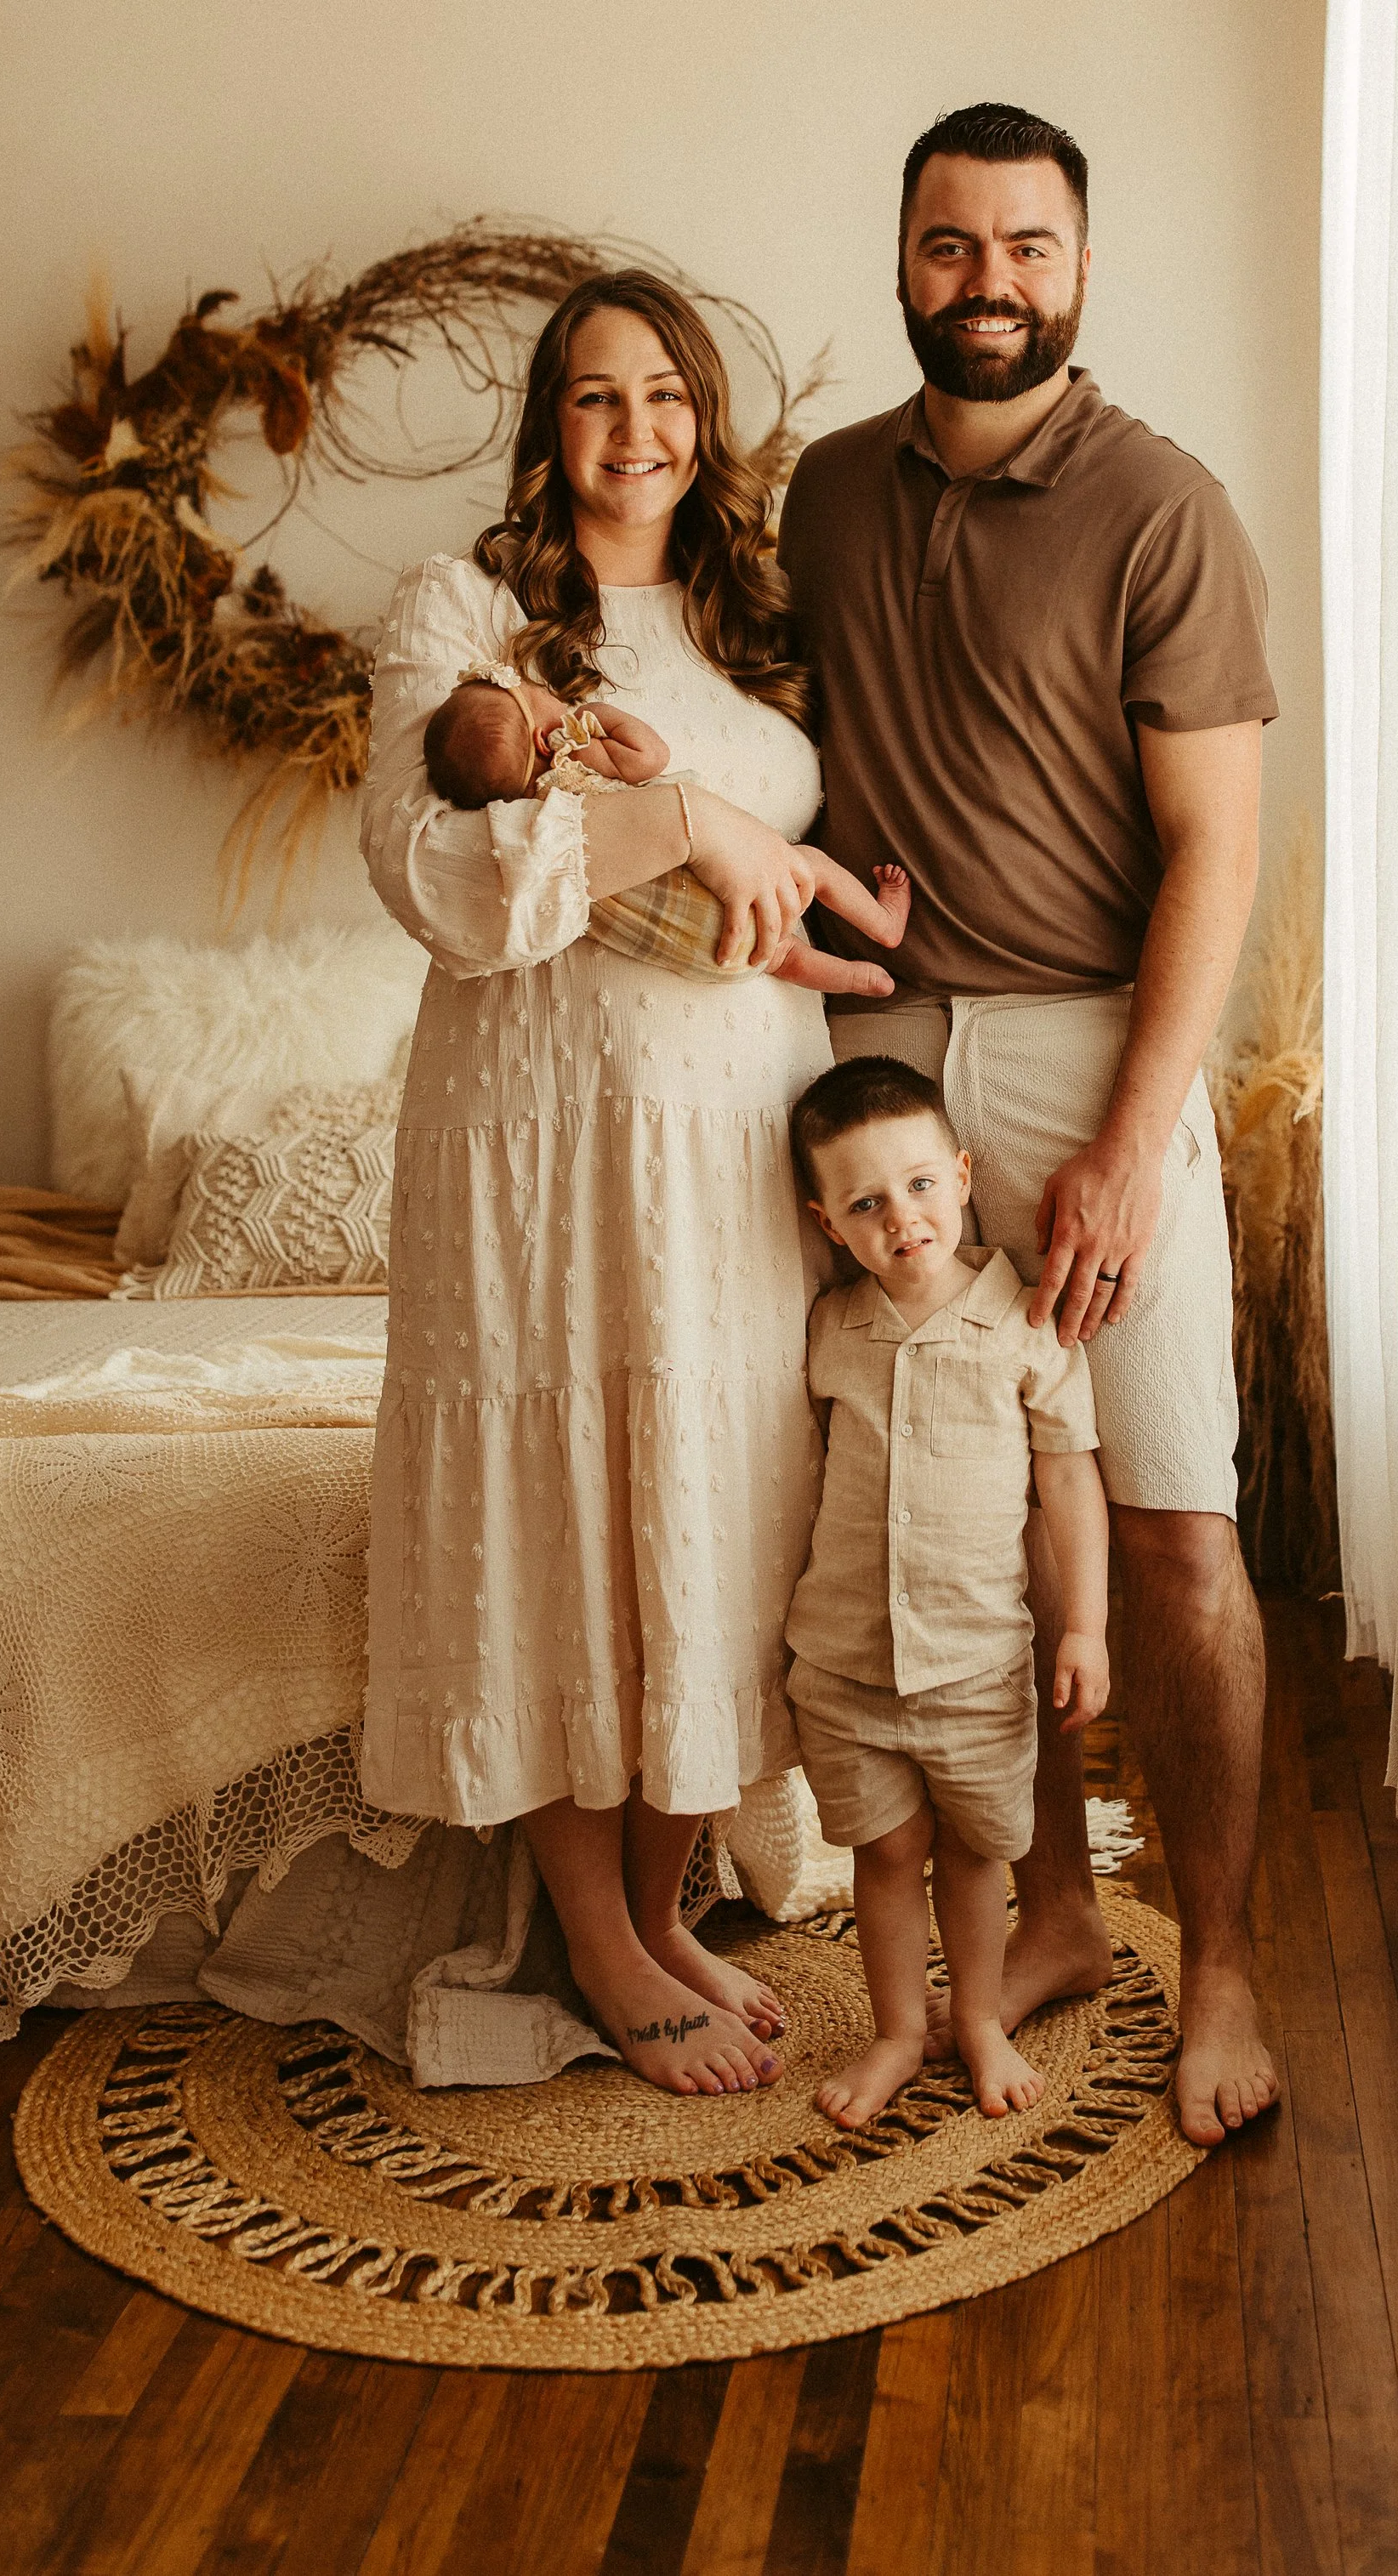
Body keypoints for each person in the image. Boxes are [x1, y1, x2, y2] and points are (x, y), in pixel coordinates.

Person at [777, 99, 1283, 2146]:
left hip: (1095, 1050)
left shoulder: (1165, 507)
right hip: (879, 1064)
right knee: (960, 1512)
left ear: (1080, 262)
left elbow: (1218, 855)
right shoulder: (817, 495)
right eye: (950, 243)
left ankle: (1220, 1956)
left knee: (1166, 1521)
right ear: (902, 255)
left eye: (1026, 246)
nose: (987, 281)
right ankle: (1054, 1912)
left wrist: (1135, 1131)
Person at [360, 267, 835, 2099]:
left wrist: (718, 822)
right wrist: (691, 820)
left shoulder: (756, 618)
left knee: (715, 1488)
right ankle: (593, 1936)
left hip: (729, 1124)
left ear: (701, 421)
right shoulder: (459, 609)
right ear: (546, 426)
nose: (633, 431)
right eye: (591, 398)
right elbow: (434, 869)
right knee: (549, 1486)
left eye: (663, 396)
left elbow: (810, 850)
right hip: (536, 1124)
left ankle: (654, 1914)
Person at [781, 1056, 1110, 2131]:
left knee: (975, 1852)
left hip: (975, 1661)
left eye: (920, 1186)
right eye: (866, 1203)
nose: (901, 1218)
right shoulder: (833, 1330)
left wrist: (1090, 1629)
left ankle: (976, 2019)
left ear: (962, 1177)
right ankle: (895, 2030)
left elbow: (1067, 1476)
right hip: (843, 1661)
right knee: (883, 1854)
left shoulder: (1025, 1323)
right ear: (828, 1223)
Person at [420, 675, 913, 998]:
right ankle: (884, 924)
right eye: (530, 691)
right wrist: (597, 718)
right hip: (712, 879)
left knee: (779, 957)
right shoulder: (575, 761)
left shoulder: (530, 825)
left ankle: (853, 978)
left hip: (687, 941)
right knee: (807, 862)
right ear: (539, 738)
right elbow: (651, 757)